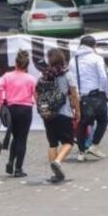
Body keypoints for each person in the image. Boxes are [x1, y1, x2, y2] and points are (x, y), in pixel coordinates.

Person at [36, 48, 80, 184]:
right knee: (68, 142)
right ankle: (58, 161)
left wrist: (43, 108)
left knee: (52, 143)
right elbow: (74, 94)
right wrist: (77, 111)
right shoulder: (67, 75)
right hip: (64, 113)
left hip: (48, 114)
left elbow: (37, 93)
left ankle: (56, 174)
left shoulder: (44, 75)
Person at [0, 50, 35, 178]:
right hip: (26, 109)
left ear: (15, 64)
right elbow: (36, 95)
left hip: (12, 109)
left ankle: (11, 161)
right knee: (22, 139)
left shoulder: (7, 76)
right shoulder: (31, 79)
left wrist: (1, 102)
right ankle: (18, 168)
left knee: (15, 136)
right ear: (27, 66)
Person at [73, 36, 108, 162]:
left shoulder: (74, 60)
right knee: (103, 120)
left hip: (82, 97)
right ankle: (94, 145)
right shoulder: (97, 58)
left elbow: (73, 83)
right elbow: (104, 78)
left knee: (82, 124)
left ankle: (81, 152)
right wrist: (106, 93)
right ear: (93, 46)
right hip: (97, 95)